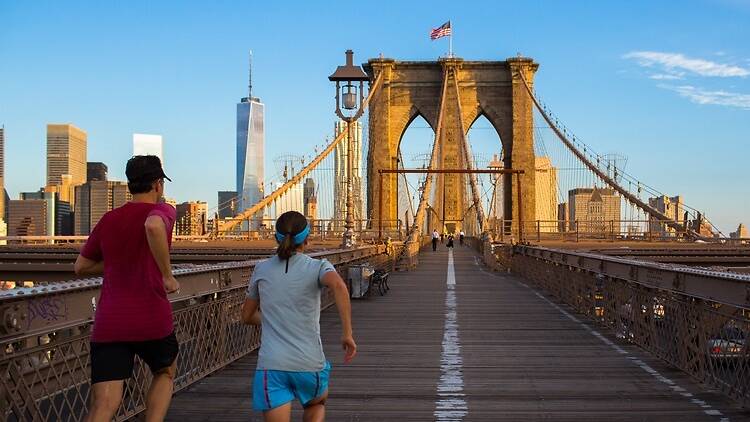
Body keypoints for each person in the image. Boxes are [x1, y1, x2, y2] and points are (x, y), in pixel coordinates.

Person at [74, 155, 179, 422]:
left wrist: (119, 260)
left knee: (105, 403)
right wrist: (167, 275)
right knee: (165, 371)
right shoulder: (164, 211)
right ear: (158, 184)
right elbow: (152, 226)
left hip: (110, 321)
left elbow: (81, 267)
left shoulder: (109, 219)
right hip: (151, 316)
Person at [242, 211, 356, 422]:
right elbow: (339, 286)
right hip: (309, 363)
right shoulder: (318, 266)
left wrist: (272, 321)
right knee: (316, 404)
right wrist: (347, 333)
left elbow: (247, 316)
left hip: (272, 365)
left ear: (276, 237)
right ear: (307, 238)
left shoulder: (262, 269)